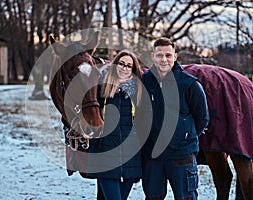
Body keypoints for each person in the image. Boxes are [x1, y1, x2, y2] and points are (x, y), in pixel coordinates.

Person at [141, 37, 209, 199]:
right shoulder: (144, 83)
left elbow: (202, 118)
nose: (164, 59)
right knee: (153, 197)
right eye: (159, 55)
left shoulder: (190, 84)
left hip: (182, 155)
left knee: (186, 197)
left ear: (175, 56)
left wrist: (184, 136)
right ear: (152, 57)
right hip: (153, 156)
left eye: (168, 55)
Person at [87, 50, 143, 200]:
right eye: (121, 63)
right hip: (106, 154)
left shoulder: (138, 92)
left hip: (131, 157)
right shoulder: (101, 88)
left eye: (129, 66)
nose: (124, 68)